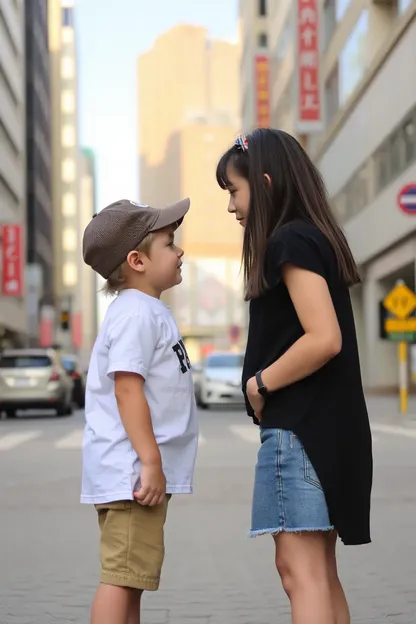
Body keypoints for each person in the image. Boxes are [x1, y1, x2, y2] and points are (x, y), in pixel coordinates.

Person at [216, 129, 373, 624]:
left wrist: (258, 385)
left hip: (301, 431)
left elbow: (324, 338)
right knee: (319, 573)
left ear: (263, 185)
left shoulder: (289, 240)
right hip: (328, 429)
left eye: (234, 191)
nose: (231, 207)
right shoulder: (314, 236)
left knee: (299, 572)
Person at [81, 198, 198, 624]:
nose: (179, 250)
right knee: (120, 576)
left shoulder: (145, 310)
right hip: (132, 472)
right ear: (137, 260)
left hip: (132, 472)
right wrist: (150, 461)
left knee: (131, 578)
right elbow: (128, 390)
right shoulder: (135, 313)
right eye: (169, 243)